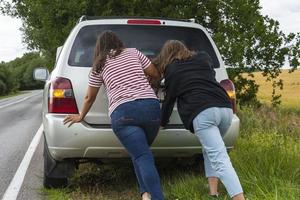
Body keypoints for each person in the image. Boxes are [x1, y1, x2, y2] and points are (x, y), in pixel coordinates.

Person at [63, 31, 164, 200]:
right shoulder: (134, 52)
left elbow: (90, 96)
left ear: (99, 47)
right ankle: (146, 195)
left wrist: (81, 115)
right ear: (118, 42)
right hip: (151, 108)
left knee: (141, 155)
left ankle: (157, 197)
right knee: (140, 153)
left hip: (124, 113)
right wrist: (142, 83)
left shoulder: (99, 64)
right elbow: (155, 73)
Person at [155, 40, 245, 200]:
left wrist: (161, 123)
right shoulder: (203, 58)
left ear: (167, 55)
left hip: (202, 113)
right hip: (225, 109)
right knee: (210, 150)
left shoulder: (172, 69)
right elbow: (208, 75)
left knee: (219, 158)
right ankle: (213, 193)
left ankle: (239, 198)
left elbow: (169, 100)